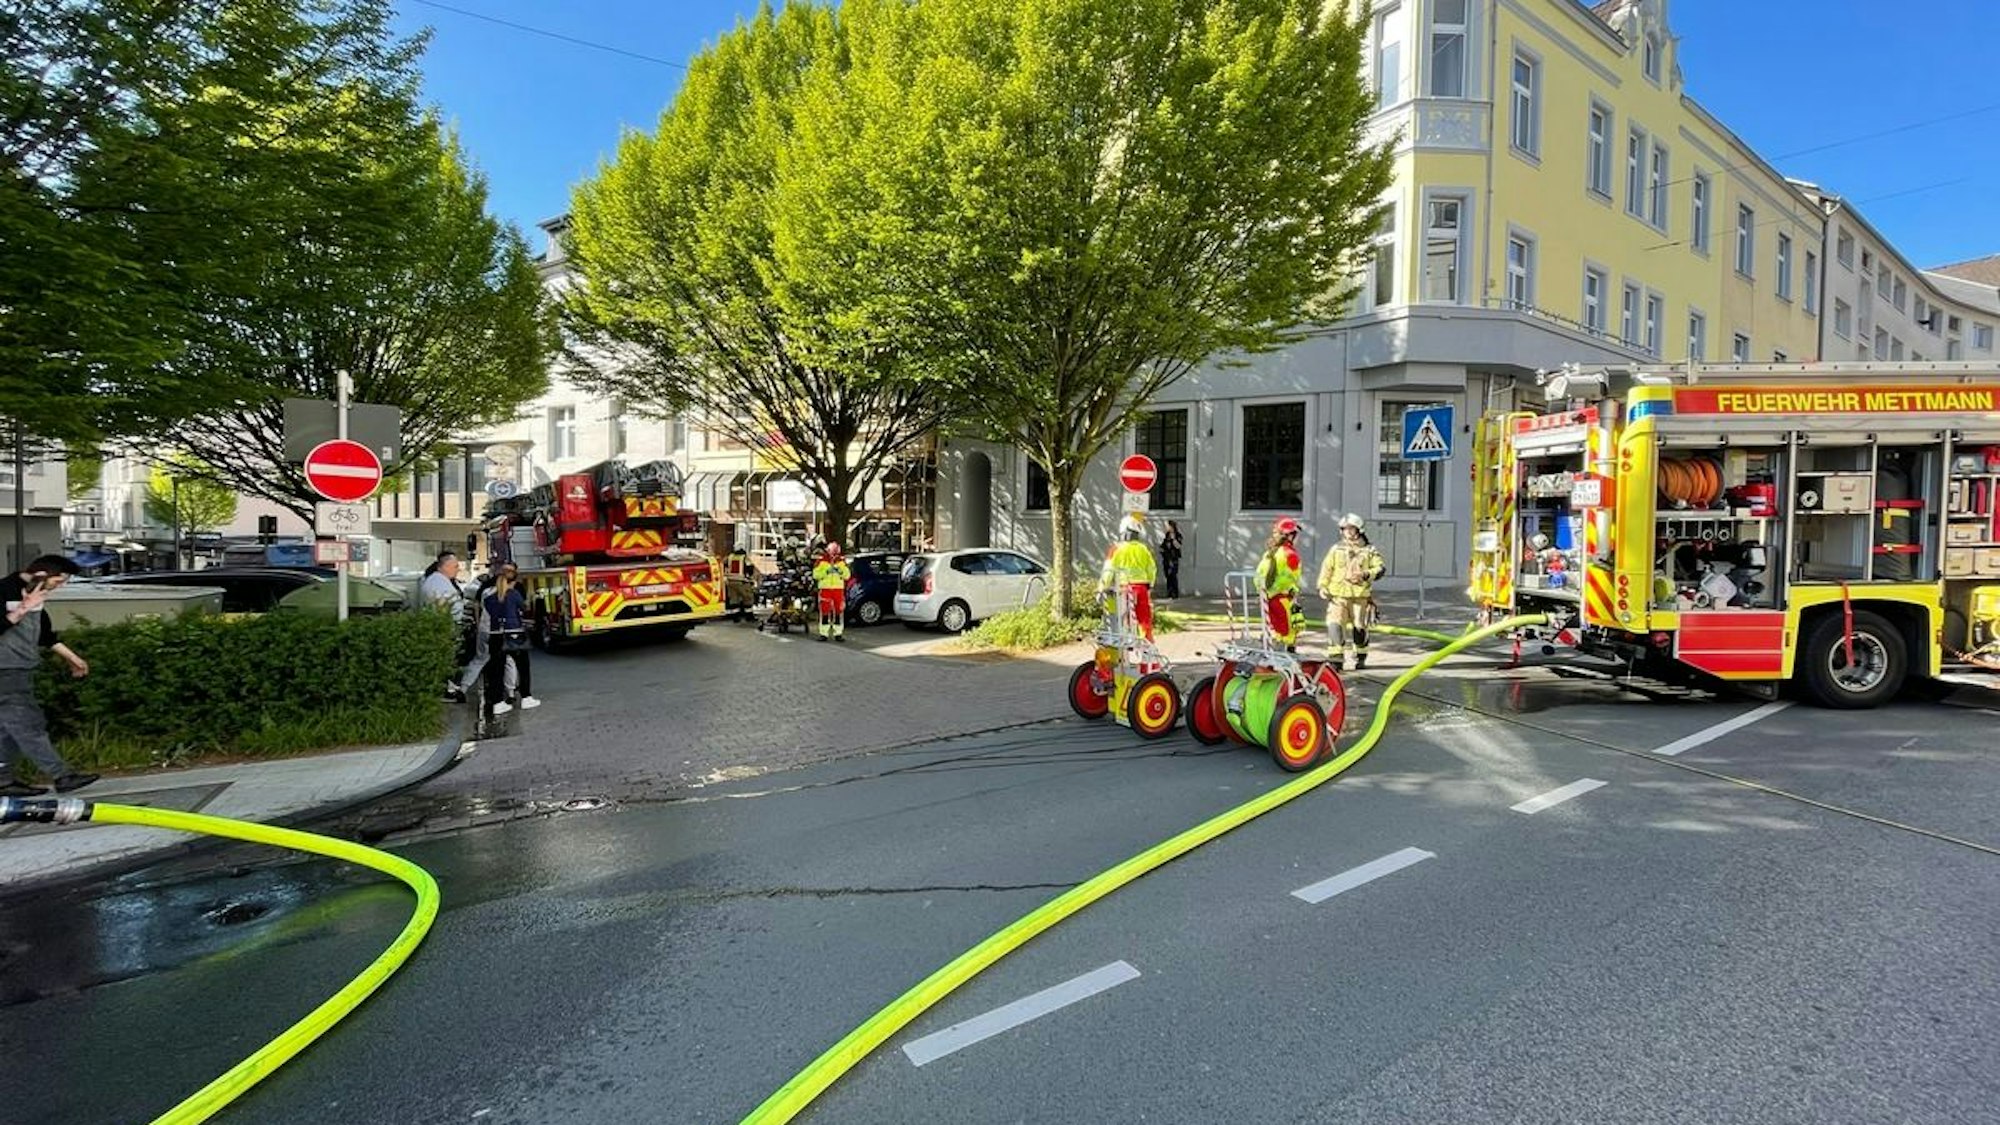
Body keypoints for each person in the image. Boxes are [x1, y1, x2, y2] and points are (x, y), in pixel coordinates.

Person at [0, 555, 98, 795]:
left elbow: (45, 636)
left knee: (8, 727)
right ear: (42, 574)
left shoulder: (37, 596)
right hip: (5, 669)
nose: (60, 586)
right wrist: (23, 608)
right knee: (28, 723)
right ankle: (61, 775)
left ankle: (3, 780)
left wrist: (74, 659)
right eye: (60, 580)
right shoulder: (3, 590)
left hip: (20, 667)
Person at [1318, 513, 1386, 670]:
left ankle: (1361, 656)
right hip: (1338, 596)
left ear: (1359, 530)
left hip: (1359, 597)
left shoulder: (1369, 550)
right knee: (1334, 625)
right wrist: (1322, 586)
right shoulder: (1336, 549)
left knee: (1359, 628)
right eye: (1345, 529)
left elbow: (1380, 568)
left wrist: (1366, 574)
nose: (1347, 532)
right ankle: (1336, 659)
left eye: (1351, 529)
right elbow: (1327, 569)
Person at [482, 563, 539, 715]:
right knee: (523, 667)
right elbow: (524, 607)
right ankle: (526, 697)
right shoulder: (513, 594)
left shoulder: (489, 598)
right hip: (514, 633)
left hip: (496, 635)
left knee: (497, 670)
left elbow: (488, 612)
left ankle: (498, 703)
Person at [1098, 512, 1158, 639]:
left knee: (1122, 620)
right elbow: (1152, 568)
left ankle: (1125, 645)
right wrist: (1150, 585)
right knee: (1144, 620)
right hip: (1141, 588)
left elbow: (1108, 571)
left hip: (1124, 589)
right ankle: (1147, 651)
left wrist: (1101, 589)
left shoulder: (1116, 549)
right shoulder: (1143, 549)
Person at [1254, 517, 1305, 653]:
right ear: (1290, 536)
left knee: (1276, 629)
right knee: (1288, 631)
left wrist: (1265, 593)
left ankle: (1274, 655)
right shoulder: (1290, 554)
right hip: (1283, 598)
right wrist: (1293, 590)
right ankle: (1285, 660)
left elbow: (1259, 576)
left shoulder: (1270, 553)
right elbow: (1290, 578)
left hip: (1269, 599)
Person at [813, 542, 852, 642]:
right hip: (825, 589)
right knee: (825, 612)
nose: (834, 554)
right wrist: (826, 572)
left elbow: (847, 575)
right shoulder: (821, 561)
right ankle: (823, 633)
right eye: (832, 552)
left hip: (838, 589)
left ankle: (838, 633)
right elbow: (815, 574)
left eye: (835, 552)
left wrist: (840, 572)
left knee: (838, 611)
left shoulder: (841, 561)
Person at [1159, 519, 1184, 599]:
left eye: (1167, 526)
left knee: (1173, 575)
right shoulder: (1166, 535)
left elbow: (1178, 546)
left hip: (1173, 559)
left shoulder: (1177, 535)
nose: (1166, 527)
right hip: (1166, 558)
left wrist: (1173, 539)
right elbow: (1163, 546)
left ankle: (1175, 593)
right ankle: (1169, 593)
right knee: (1168, 576)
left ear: (1171, 526)